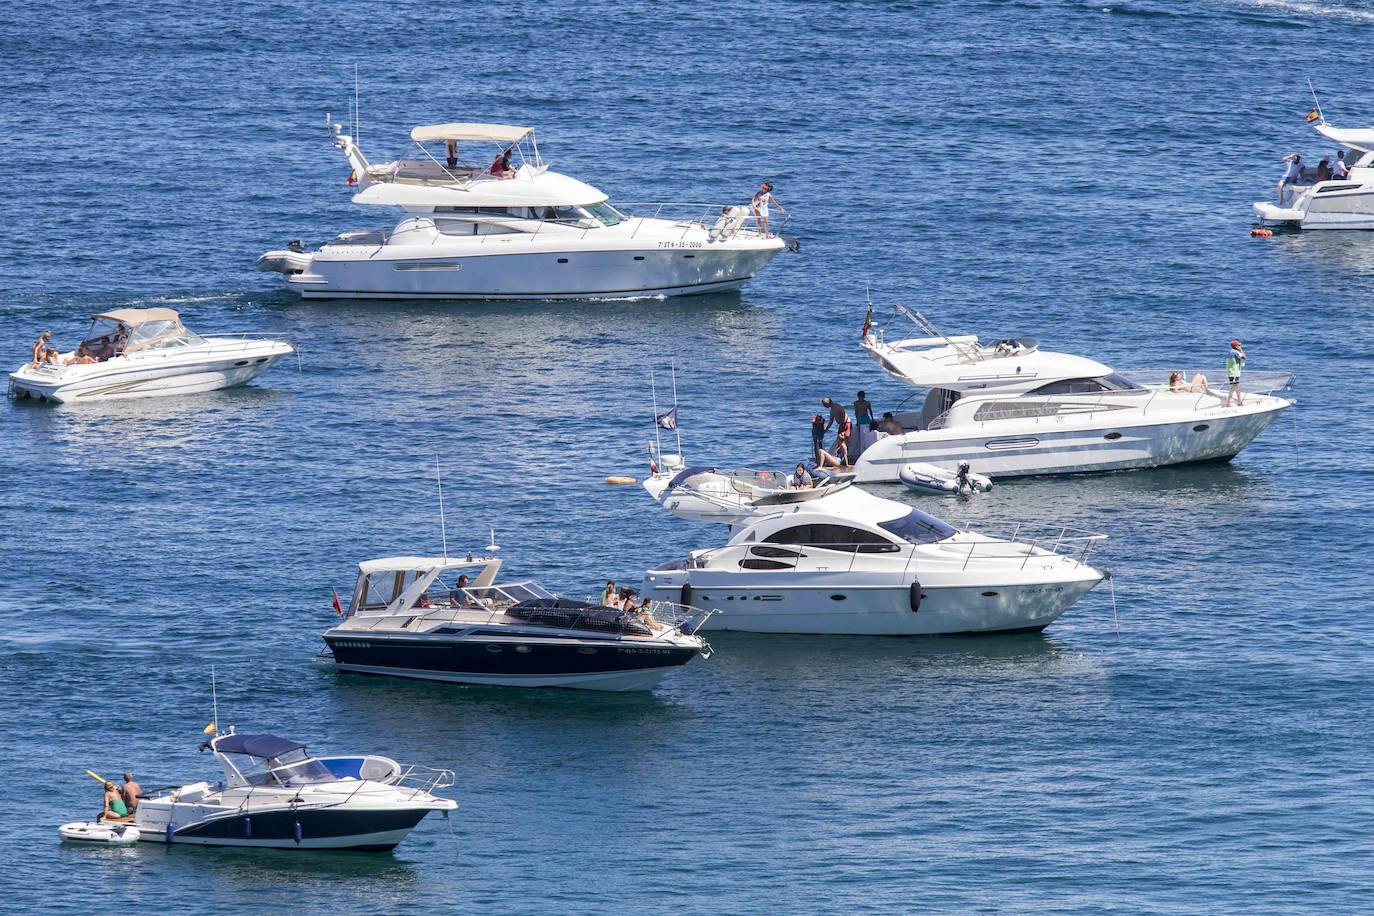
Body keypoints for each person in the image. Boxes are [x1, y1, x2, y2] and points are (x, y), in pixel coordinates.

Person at [1225, 339, 1246, 407]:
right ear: (1236, 346)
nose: (1240, 346)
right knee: (1234, 387)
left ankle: (1239, 402)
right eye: (1239, 345)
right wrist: (1241, 350)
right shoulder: (1235, 352)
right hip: (1234, 373)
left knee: (1237, 387)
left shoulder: (1231, 352)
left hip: (1231, 372)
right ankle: (1228, 402)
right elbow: (1244, 357)